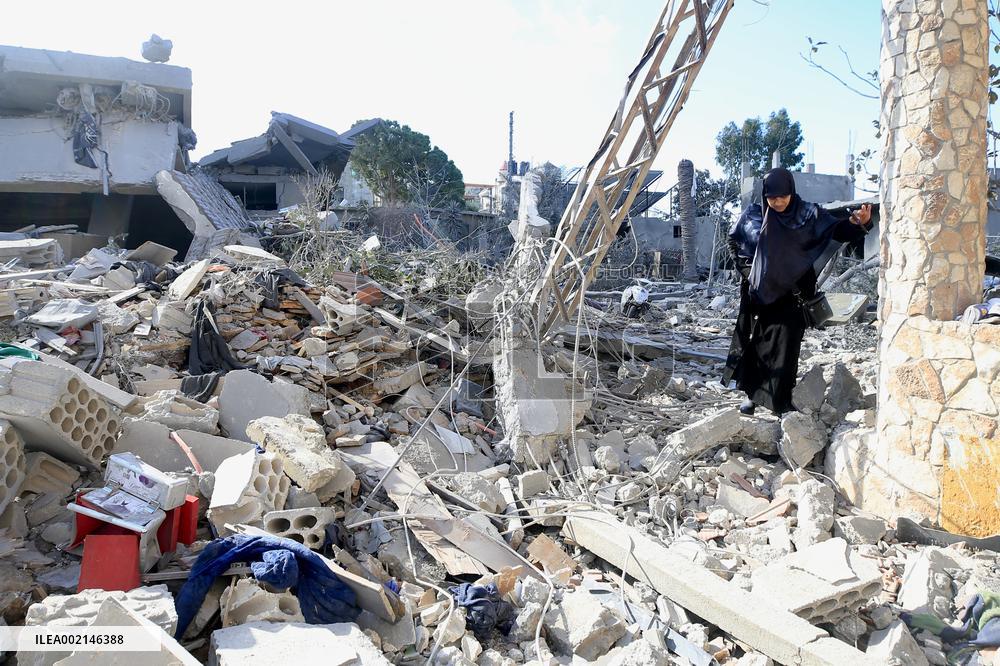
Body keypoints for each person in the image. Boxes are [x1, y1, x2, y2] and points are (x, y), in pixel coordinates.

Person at [722, 168, 872, 415]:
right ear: (765, 195)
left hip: (794, 294)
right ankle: (752, 395)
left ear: (791, 192)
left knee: (788, 346)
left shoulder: (808, 214)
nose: (777, 202)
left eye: (782, 196)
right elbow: (735, 243)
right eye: (772, 197)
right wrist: (749, 273)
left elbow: (836, 230)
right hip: (762, 294)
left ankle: (781, 401)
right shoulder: (754, 215)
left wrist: (858, 223)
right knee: (759, 342)